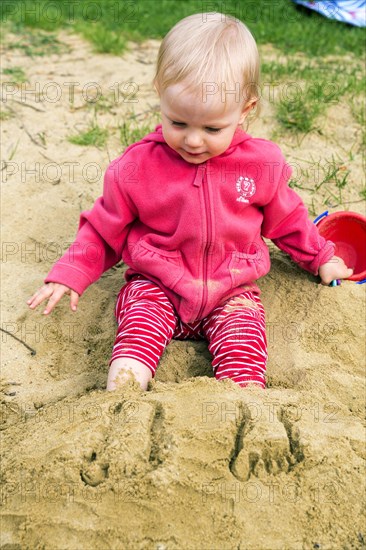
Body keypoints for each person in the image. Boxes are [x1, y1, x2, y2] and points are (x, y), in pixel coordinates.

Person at [27, 13, 353, 392]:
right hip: (156, 285)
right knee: (134, 344)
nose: (193, 141)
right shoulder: (136, 167)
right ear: (160, 93)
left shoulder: (262, 164)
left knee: (245, 363)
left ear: (245, 109)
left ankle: (238, 404)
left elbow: (288, 219)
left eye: (212, 128)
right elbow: (103, 229)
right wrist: (70, 273)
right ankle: (124, 399)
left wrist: (321, 257)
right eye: (178, 122)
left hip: (232, 292)